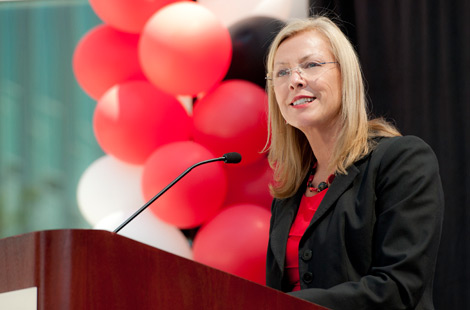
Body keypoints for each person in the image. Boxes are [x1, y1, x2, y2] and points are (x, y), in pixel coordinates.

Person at [264, 16, 444, 309]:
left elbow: (398, 287)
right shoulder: (288, 194)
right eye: (281, 72)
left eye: (310, 65)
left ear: (345, 74)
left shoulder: (402, 160)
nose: (294, 80)